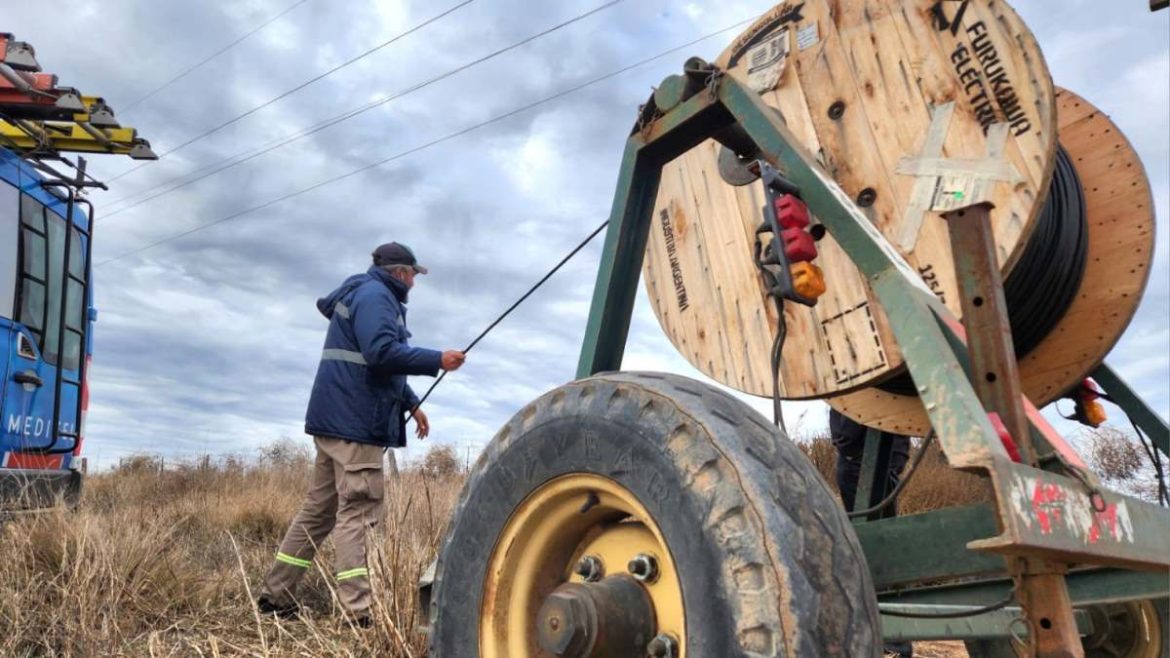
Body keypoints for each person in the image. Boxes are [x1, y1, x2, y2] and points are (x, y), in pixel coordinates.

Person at [257, 242, 465, 625]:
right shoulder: (377, 297)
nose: (414, 284)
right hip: (355, 426)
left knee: (318, 513)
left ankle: (276, 596)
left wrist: (411, 403)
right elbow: (381, 353)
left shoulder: (362, 294)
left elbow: (373, 364)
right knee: (359, 513)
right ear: (401, 273)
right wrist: (437, 359)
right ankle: (357, 613)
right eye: (414, 276)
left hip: (335, 421)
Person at [829, 408, 914, 657]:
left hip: (866, 457)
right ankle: (889, 639)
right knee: (871, 542)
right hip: (862, 455)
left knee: (876, 547)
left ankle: (893, 642)